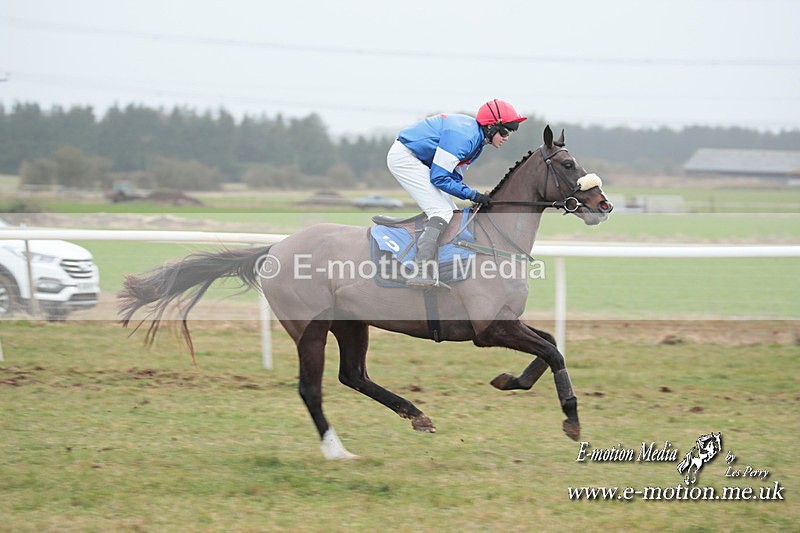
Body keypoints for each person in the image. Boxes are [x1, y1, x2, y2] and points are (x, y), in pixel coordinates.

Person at [386, 99, 527, 287]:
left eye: (510, 132)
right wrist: (473, 195)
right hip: (405, 158)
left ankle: (441, 267)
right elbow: (440, 178)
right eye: (504, 131)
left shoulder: (477, 142)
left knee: (452, 214)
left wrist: (471, 195)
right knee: (441, 212)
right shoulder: (465, 137)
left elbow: (454, 179)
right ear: (491, 126)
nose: (506, 137)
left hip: (420, 161)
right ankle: (420, 270)